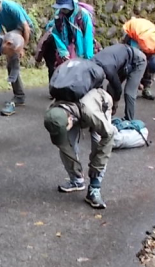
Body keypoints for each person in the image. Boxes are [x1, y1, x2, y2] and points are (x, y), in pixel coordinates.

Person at [44, 61, 114, 210]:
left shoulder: (90, 111)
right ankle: (76, 180)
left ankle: (94, 189)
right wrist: (76, 167)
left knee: (98, 143)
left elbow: (109, 135)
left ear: (70, 119)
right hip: (74, 109)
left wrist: (96, 165)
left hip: (100, 105)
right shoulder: (53, 112)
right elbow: (62, 144)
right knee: (67, 142)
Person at [0, 0, 35, 116]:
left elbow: (26, 27)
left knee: (13, 59)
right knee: (7, 54)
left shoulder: (11, 7)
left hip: (25, 30)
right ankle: (19, 94)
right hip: (11, 33)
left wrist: (22, 48)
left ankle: (19, 96)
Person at [36, 0, 95, 79]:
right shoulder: (58, 16)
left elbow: (88, 37)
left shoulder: (83, 16)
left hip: (82, 45)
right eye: (61, 7)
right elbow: (57, 35)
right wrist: (64, 52)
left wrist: (88, 58)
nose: (63, 10)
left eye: (65, 7)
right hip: (66, 45)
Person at [94, 41, 147, 120]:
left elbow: (118, 89)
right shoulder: (94, 62)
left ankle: (129, 120)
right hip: (124, 62)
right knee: (110, 87)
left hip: (138, 61)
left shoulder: (108, 68)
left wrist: (115, 104)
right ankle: (107, 116)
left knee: (129, 92)